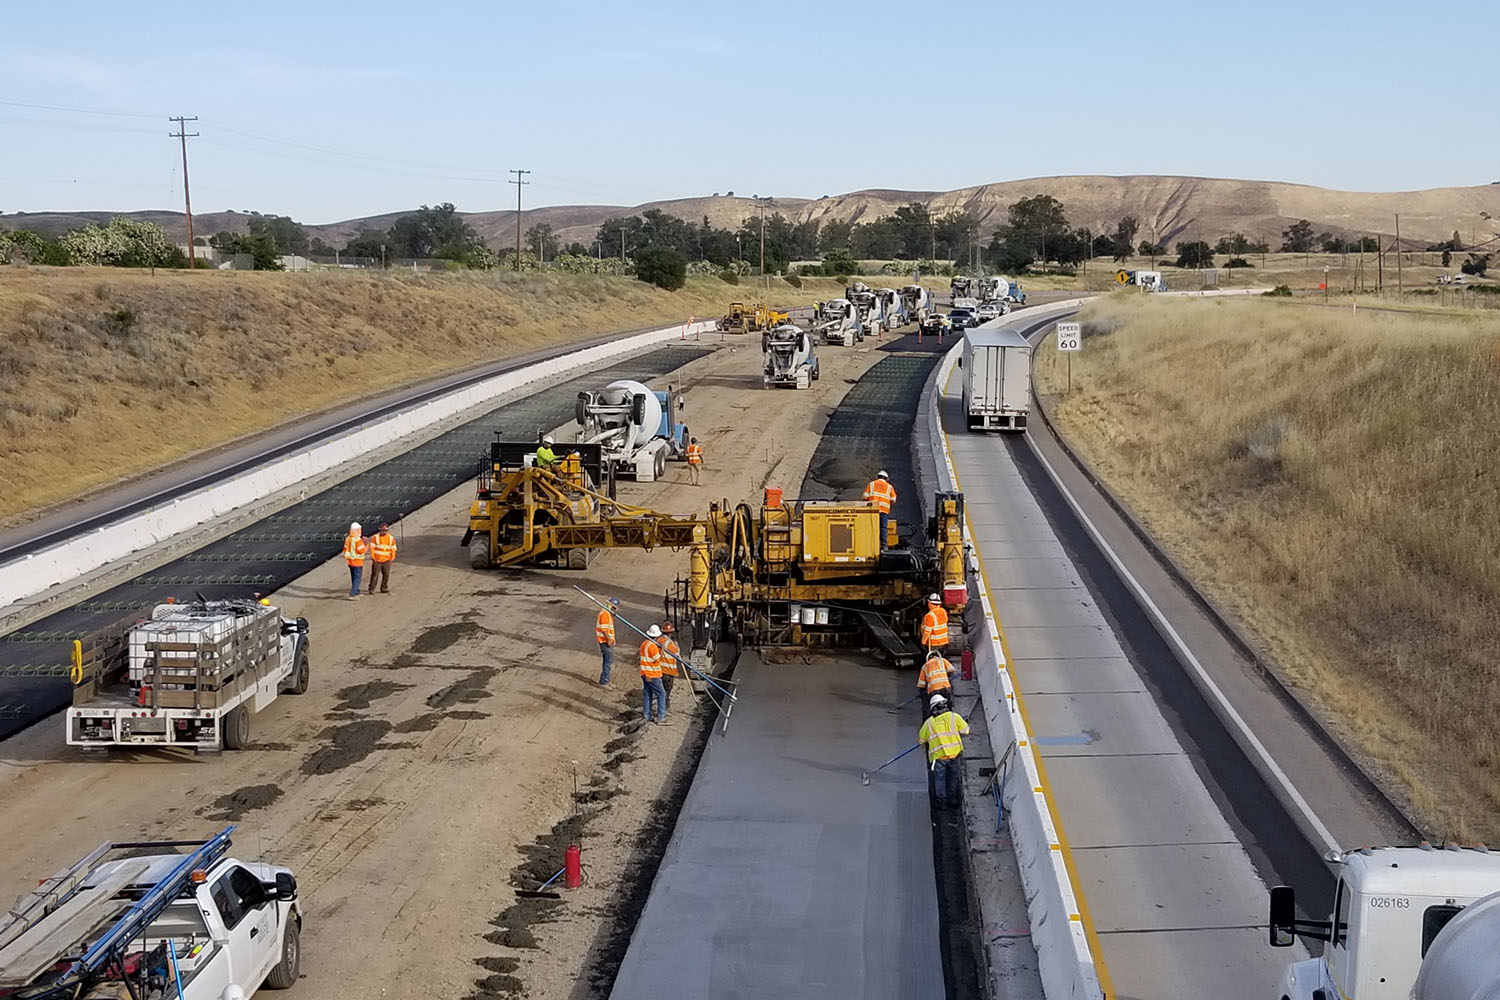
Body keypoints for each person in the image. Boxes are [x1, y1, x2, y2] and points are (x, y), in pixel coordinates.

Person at [918, 693, 969, 809]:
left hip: (939, 758)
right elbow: (965, 730)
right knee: (953, 778)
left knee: (939, 781)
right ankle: (953, 800)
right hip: (954, 755)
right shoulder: (954, 717)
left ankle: (942, 804)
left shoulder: (929, 723)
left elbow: (921, 740)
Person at [639, 625, 668, 725]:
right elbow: (657, 659)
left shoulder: (644, 644)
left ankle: (647, 715)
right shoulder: (652, 646)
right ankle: (661, 717)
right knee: (661, 694)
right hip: (653, 674)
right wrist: (662, 650)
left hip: (644, 673)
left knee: (647, 693)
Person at [863, 470, 897, 547]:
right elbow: (893, 499)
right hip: (884, 510)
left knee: (871, 527)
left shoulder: (871, 484)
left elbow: (864, 497)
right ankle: (884, 545)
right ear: (886, 479)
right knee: (883, 528)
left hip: (872, 510)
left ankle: (871, 544)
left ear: (877, 477)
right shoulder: (889, 487)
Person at [367, 522, 397, 594]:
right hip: (377, 560)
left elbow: (393, 548)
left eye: (385, 530)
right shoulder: (375, 538)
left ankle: (384, 588)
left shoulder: (391, 538)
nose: (384, 532)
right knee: (375, 575)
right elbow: (372, 548)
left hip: (387, 560)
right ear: (380, 530)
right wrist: (373, 558)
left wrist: (392, 557)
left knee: (386, 574)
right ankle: (371, 589)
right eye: (382, 530)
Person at [596, 597, 619, 686]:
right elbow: (604, 629)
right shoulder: (605, 614)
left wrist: (612, 639)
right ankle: (604, 681)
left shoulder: (607, 613)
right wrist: (609, 639)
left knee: (608, 661)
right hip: (605, 641)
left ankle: (606, 679)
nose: (614, 610)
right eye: (614, 608)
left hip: (607, 641)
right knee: (608, 661)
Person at [342, 522, 368, 600]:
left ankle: (357, 592)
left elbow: (345, 549)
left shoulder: (348, 539)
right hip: (357, 562)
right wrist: (366, 545)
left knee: (354, 577)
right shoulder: (358, 540)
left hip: (350, 561)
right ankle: (353, 594)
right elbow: (362, 550)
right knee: (357, 578)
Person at [660, 621, 681, 711]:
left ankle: (662, 707)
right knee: (667, 690)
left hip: (661, 670)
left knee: (662, 690)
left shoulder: (659, 640)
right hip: (668, 671)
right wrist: (676, 645)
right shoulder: (670, 643)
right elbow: (676, 653)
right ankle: (665, 708)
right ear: (670, 633)